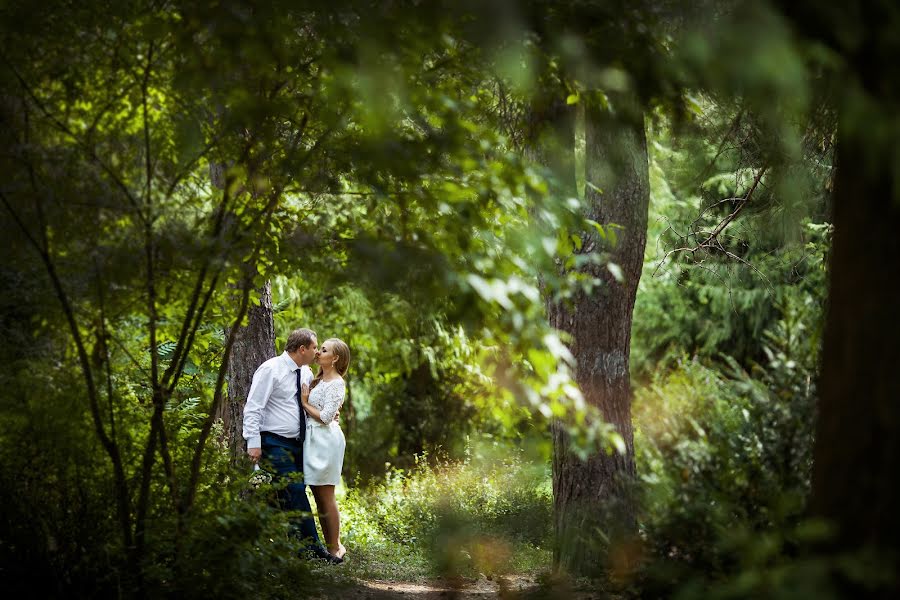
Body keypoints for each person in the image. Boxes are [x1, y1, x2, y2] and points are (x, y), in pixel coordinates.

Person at [242, 328, 342, 563]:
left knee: (292, 494)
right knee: (295, 491)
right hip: (274, 442)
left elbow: (311, 403)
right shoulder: (271, 369)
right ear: (302, 349)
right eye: (315, 347)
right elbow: (253, 407)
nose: (317, 352)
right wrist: (253, 442)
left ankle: (292, 548)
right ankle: (313, 552)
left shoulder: (305, 372)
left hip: (301, 444)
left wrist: (330, 412)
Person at [300, 337, 350, 560]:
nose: (318, 352)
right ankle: (332, 544)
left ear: (335, 358)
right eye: (319, 349)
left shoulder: (337, 383)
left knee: (326, 494)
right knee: (317, 494)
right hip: (312, 439)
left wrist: (305, 403)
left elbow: (327, 417)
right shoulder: (316, 379)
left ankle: (335, 548)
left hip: (326, 441)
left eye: (324, 350)